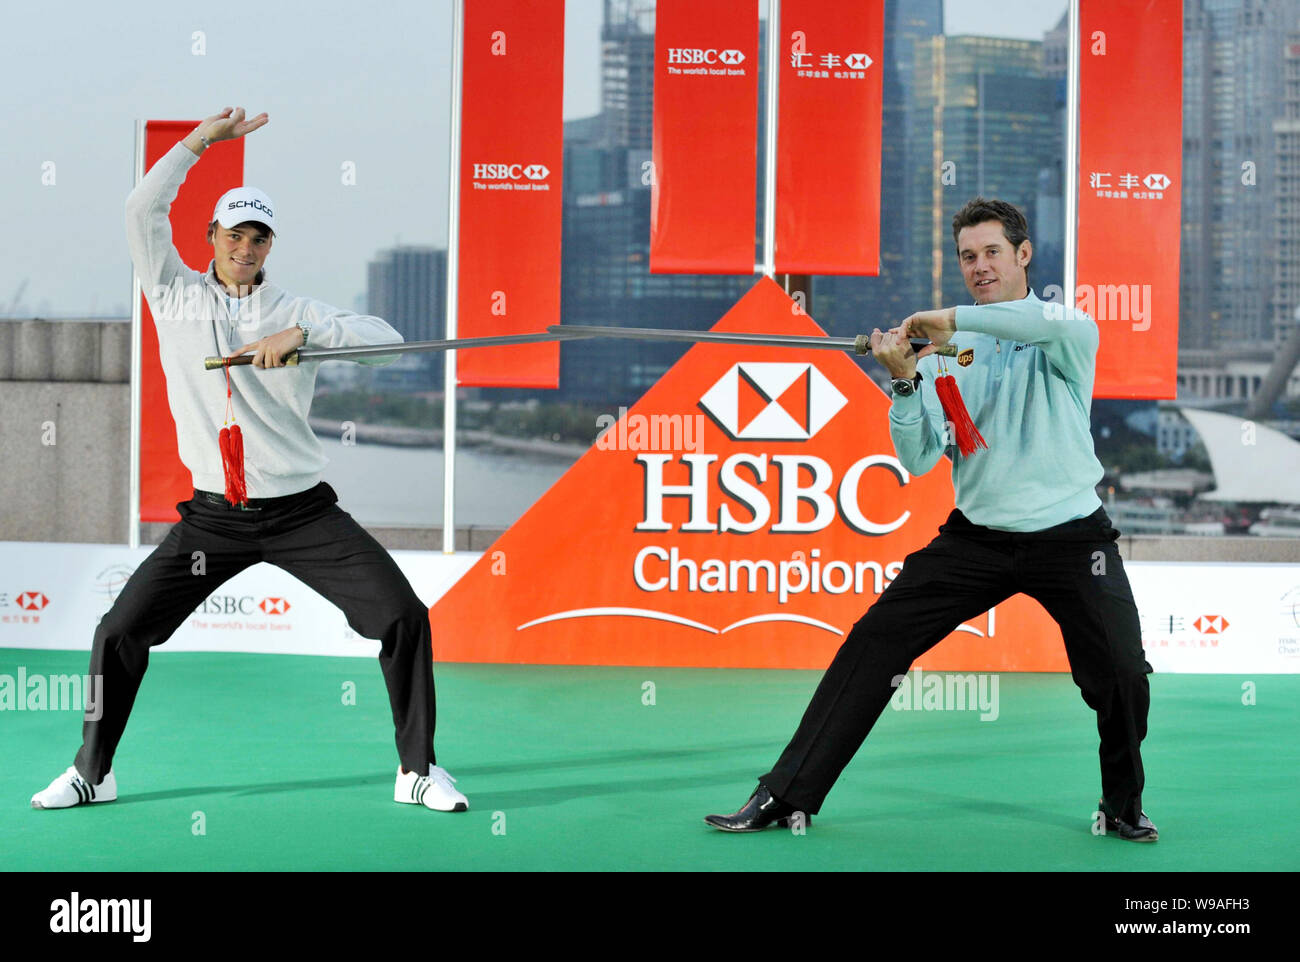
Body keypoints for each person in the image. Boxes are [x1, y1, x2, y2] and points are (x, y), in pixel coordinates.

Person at [31, 107, 467, 814]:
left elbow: (389, 343)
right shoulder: (171, 295)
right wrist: (200, 144)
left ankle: (416, 770)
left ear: (269, 247)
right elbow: (141, 208)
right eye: (233, 234)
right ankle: (92, 772)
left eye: (257, 237)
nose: (245, 246)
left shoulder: (298, 310)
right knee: (119, 631)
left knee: (403, 615)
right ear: (212, 238)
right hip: (213, 521)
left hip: (301, 514)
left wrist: (307, 332)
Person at [704, 197, 1156, 841]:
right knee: (873, 643)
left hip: (1072, 535)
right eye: (968, 256)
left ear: (1023, 255)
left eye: (992, 252)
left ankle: (1122, 806)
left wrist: (943, 322)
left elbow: (1029, 326)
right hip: (977, 539)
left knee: (1121, 674)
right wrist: (907, 381)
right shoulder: (945, 348)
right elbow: (918, 460)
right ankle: (786, 796)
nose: (979, 266)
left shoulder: (1065, 326)